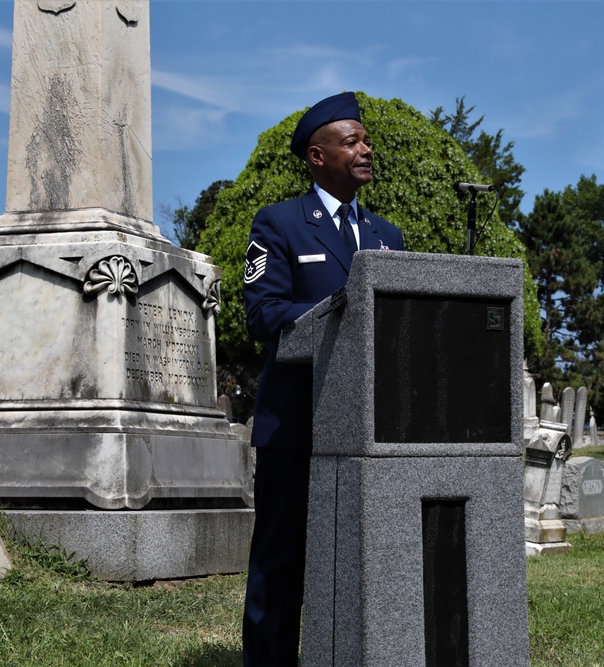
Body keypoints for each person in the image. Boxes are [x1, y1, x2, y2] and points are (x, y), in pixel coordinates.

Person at [241, 92, 405, 666]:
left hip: (368, 430)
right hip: (295, 424)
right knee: (281, 559)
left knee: (363, 558)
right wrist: (334, 310)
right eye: (352, 140)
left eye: (365, 139)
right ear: (317, 154)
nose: (367, 149)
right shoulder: (280, 223)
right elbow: (261, 313)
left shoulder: (388, 237)